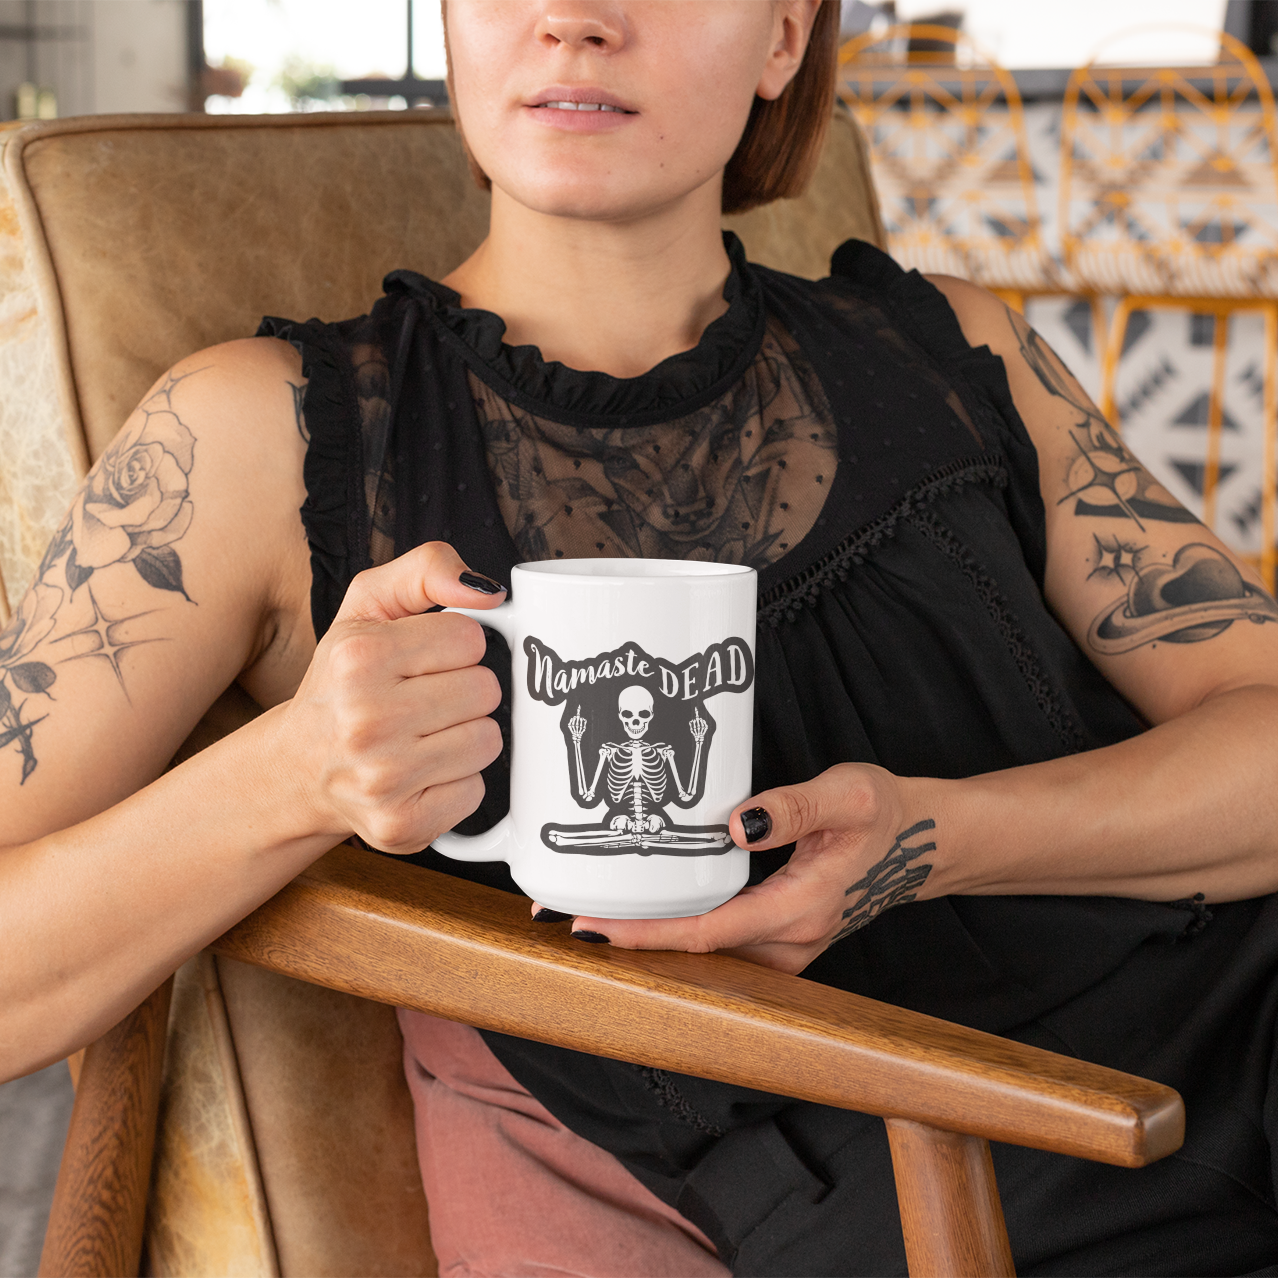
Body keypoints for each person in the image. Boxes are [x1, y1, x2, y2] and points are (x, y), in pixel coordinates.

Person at [5, 1, 1278, 1272]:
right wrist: (292, 772)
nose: (574, 19)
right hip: (988, 1164)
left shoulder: (956, 345)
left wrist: (933, 839)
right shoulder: (247, 442)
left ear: (785, 38)